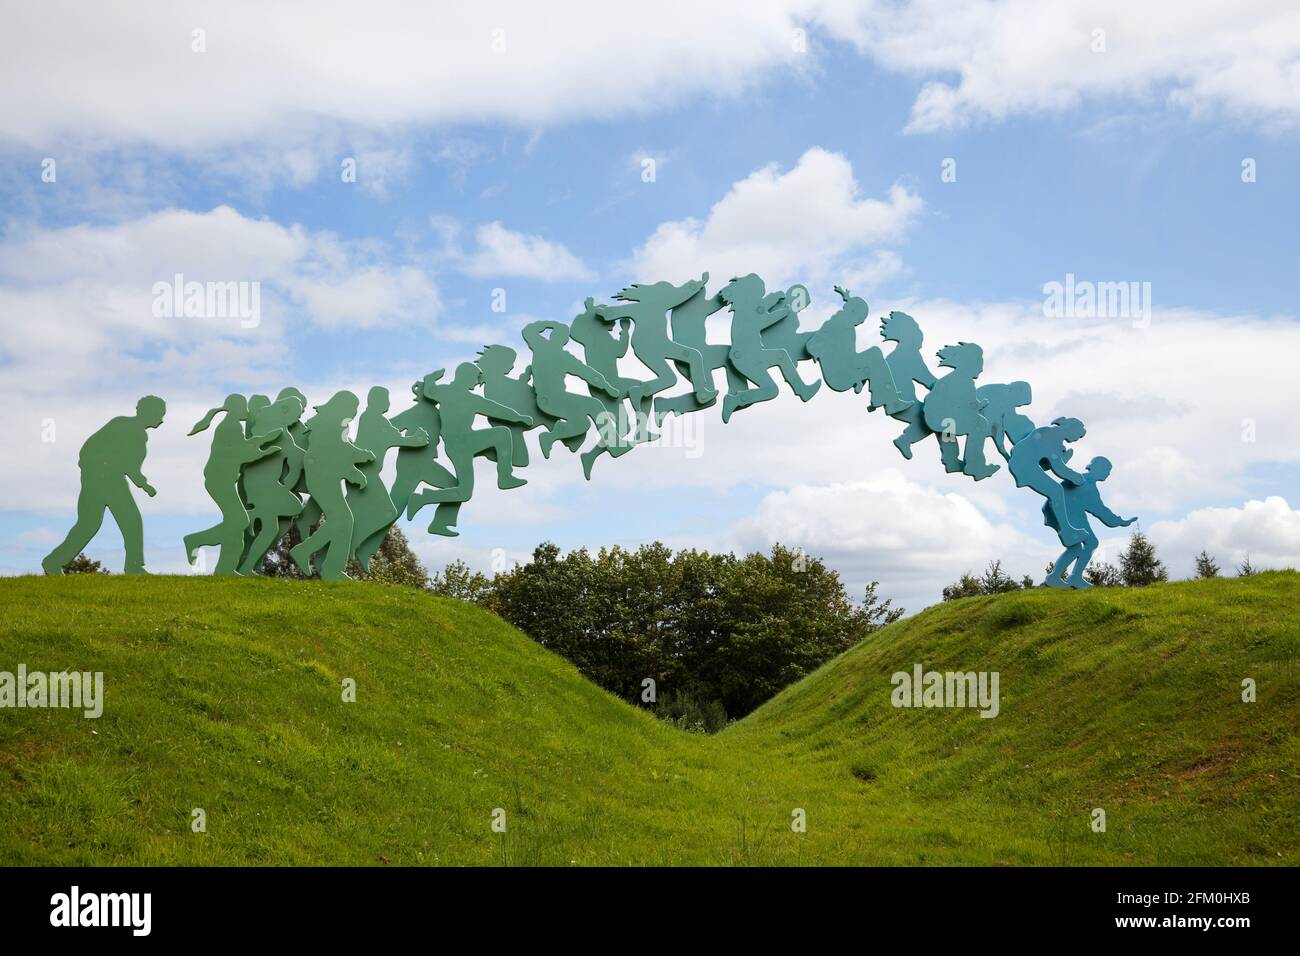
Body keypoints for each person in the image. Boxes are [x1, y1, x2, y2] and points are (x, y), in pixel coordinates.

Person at [404, 362, 533, 535]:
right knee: (502, 434)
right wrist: (432, 377)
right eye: (474, 378)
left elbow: (496, 410)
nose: (476, 383)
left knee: (464, 492)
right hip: (459, 445)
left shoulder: (469, 398)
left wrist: (519, 418)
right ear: (464, 377)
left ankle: (427, 505)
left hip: (465, 442)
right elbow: (430, 391)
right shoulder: (448, 392)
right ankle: (505, 476)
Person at [43, 395, 166, 575]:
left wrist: (142, 483)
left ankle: (53, 562)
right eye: (160, 414)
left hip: (101, 479)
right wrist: (144, 485)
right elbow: (117, 460)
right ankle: (133, 566)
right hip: (107, 480)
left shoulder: (131, 430)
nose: (161, 420)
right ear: (148, 413)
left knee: (89, 525)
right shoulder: (128, 428)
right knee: (130, 521)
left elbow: (128, 464)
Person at [184, 394, 283, 575]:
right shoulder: (230, 427)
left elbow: (242, 447)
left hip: (222, 480)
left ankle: (226, 568)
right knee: (240, 521)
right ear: (236, 408)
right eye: (243, 407)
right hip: (219, 481)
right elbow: (240, 454)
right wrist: (265, 452)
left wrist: (264, 440)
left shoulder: (231, 426)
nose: (246, 411)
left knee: (236, 527)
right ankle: (195, 540)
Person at [596, 277, 717, 422]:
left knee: (670, 378)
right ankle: (701, 392)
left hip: (647, 347)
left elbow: (610, 313)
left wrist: (599, 311)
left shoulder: (637, 308)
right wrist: (698, 284)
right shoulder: (660, 304)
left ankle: (640, 391)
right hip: (656, 346)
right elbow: (681, 296)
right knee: (693, 356)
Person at [520, 319, 624, 477]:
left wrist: (550, 326)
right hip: (553, 399)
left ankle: (550, 437)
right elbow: (587, 374)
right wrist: (607, 388)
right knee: (594, 405)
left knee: (582, 424)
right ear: (563, 341)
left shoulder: (540, 347)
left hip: (549, 400)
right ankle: (614, 445)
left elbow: (586, 373)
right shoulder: (553, 352)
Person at [289, 390, 374, 579]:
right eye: (353, 408)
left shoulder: (332, 424)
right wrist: (355, 466)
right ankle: (317, 560)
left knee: (342, 521)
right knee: (343, 520)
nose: (354, 412)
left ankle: (328, 567)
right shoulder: (333, 425)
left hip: (324, 476)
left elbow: (341, 449)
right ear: (341, 407)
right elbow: (337, 451)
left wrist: (356, 461)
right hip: (322, 477)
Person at [718, 273, 821, 422]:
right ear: (751, 294)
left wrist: (774, 297)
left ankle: (803, 390)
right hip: (745, 357)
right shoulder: (744, 312)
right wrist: (782, 313)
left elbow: (762, 308)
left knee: (780, 358)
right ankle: (735, 400)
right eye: (759, 293)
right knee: (772, 388)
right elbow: (762, 320)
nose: (761, 297)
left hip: (751, 354)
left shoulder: (747, 308)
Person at [347, 386, 429, 571]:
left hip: (367, 475)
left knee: (355, 515)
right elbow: (394, 438)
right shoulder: (372, 419)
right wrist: (417, 440)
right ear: (376, 400)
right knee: (388, 512)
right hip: (365, 476)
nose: (389, 403)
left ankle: (356, 549)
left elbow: (393, 435)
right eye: (386, 399)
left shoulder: (375, 419)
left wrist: (415, 439)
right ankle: (353, 547)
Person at [805, 285, 911, 413]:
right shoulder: (839, 323)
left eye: (860, 321)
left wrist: (847, 298)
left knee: (873, 357)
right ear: (853, 312)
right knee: (874, 353)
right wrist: (822, 354)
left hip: (847, 365)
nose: (858, 323)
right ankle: (889, 401)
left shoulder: (844, 323)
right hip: (840, 373)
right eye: (859, 319)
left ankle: (883, 397)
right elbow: (814, 343)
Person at [236, 393, 308, 575]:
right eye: (296, 415)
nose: (297, 420)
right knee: (294, 507)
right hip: (263, 487)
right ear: (285, 412)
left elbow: (294, 458)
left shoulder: (273, 429)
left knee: (273, 528)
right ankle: (251, 517)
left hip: (259, 485)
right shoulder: (278, 433)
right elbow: (297, 458)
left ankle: (248, 566)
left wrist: (289, 480)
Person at [1043, 456, 1136, 588]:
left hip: (1072, 514)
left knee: (1088, 543)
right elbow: (1101, 510)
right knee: (1078, 546)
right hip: (1064, 514)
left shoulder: (1089, 484)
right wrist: (1121, 522)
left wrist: (1120, 521)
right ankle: (1057, 577)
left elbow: (1100, 510)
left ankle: (1072, 577)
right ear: (1098, 468)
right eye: (1107, 470)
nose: (1108, 474)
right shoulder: (1082, 481)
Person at [921, 342, 999, 480]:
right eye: (979, 365)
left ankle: (951, 462)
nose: (981, 370)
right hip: (944, 418)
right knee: (979, 424)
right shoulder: (965, 381)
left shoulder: (953, 378)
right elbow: (969, 405)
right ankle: (975, 465)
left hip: (937, 419)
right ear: (970, 364)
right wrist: (981, 405)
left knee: (948, 433)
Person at [1007, 416, 1090, 545]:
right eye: (1078, 436)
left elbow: (1049, 461)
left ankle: (1056, 520)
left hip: (1023, 463)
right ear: (1071, 429)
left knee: (1055, 491)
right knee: (1056, 491)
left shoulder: (1049, 433)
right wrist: (1077, 478)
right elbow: (1058, 469)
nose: (1076, 440)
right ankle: (1067, 532)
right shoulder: (1053, 438)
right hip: (1023, 466)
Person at [880, 310, 938, 460]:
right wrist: (949, 388)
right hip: (903, 404)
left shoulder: (895, 355)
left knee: (940, 421)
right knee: (939, 419)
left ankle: (950, 454)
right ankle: (905, 440)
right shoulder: (909, 355)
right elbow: (928, 380)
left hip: (896, 402)